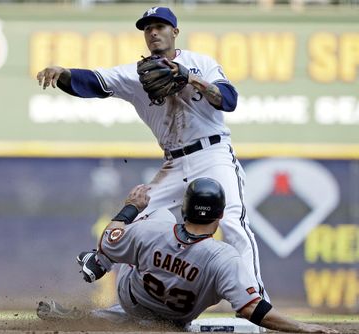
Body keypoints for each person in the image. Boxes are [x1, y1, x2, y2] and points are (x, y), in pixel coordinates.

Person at [36, 6, 266, 298]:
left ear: (175, 32)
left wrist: (189, 78)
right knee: (144, 219)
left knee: (233, 222)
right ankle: (101, 260)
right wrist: (64, 73)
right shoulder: (135, 74)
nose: (153, 32)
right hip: (174, 163)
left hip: (213, 153)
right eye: (148, 28)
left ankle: (255, 302)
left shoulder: (200, 62)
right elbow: (94, 81)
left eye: (160, 26)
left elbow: (229, 100)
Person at [38, 178, 337, 334]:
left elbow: (110, 235)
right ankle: (107, 284)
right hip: (175, 319)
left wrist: (131, 207)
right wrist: (304, 327)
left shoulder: (153, 230)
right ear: (219, 217)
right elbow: (252, 310)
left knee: (151, 214)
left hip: (134, 299)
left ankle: (98, 263)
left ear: (185, 209)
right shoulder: (224, 258)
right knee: (161, 303)